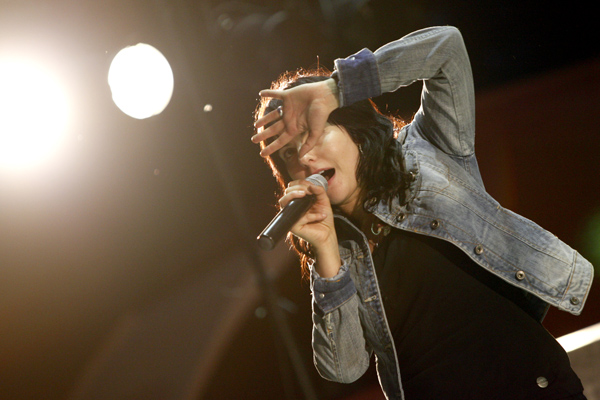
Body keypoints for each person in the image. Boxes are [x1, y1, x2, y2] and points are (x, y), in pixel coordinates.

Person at [252, 26, 594, 400]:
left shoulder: (427, 151)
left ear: (353, 128)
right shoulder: (337, 252)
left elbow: (447, 48)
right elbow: (344, 369)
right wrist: (326, 253)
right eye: (288, 153)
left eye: (313, 132)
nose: (304, 156)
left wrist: (337, 87)